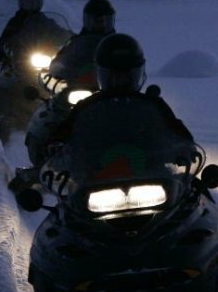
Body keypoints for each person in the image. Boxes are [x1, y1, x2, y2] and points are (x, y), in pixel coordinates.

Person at [39, 32, 198, 190]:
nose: (120, 82)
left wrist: (183, 148)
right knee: (62, 211)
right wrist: (57, 150)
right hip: (93, 185)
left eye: (127, 76)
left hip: (152, 181)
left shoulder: (152, 105)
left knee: (194, 195)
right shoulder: (87, 108)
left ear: (138, 73)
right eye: (114, 76)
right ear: (101, 74)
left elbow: (179, 133)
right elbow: (60, 136)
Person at [22, 0, 120, 166]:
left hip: (110, 94)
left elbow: (132, 65)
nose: (101, 24)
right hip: (77, 92)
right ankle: (43, 162)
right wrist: (55, 78)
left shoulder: (118, 45)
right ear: (87, 20)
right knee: (51, 118)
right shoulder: (75, 44)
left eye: (105, 20)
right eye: (96, 20)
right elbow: (59, 64)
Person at [0, 0, 71, 140]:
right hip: (20, 62)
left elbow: (61, 33)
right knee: (7, 80)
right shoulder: (15, 23)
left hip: (43, 60)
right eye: (28, 1)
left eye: (35, 1)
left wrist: (72, 40)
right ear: (21, 2)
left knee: (61, 83)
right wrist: (1, 51)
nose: (31, 5)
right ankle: (5, 115)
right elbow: (5, 40)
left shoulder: (46, 21)